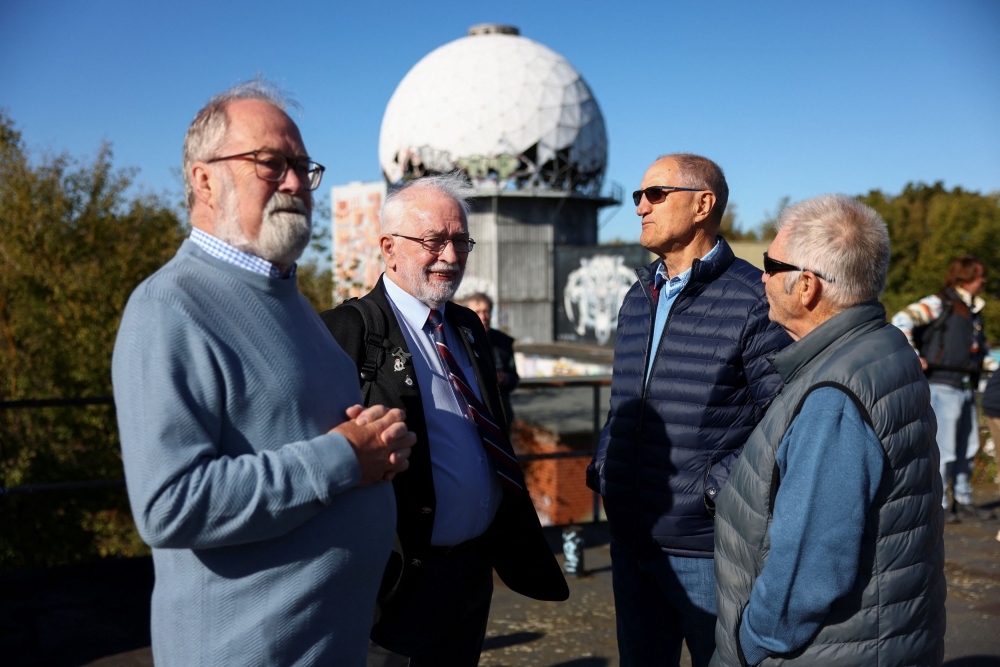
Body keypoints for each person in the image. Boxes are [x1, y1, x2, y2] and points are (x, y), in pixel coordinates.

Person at [112, 80, 414, 667]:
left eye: (303, 166)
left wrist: (376, 447)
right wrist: (344, 459)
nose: (297, 182)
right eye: (271, 163)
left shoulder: (292, 301)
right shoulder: (169, 308)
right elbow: (169, 504)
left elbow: (310, 440)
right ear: (204, 179)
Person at [321, 174, 567, 667]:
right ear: (389, 249)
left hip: (471, 577)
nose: (451, 256)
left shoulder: (467, 325)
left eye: (460, 241)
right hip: (393, 591)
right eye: (434, 241)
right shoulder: (343, 333)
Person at [711, 195, 946, 667]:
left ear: (807, 287)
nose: (761, 277)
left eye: (770, 264)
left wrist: (749, 644)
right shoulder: (879, 348)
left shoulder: (833, 398)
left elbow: (808, 572)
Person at [586, 154, 791, 667]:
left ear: (703, 205)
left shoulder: (752, 298)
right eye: (638, 196)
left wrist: (713, 490)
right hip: (633, 538)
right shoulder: (639, 296)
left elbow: (784, 419)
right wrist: (606, 468)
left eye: (655, 194)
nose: (639, 208)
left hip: (706, 548)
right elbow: (624, 403)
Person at [892, 255, 997, 521]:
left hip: (965, 386)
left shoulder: (973, 309)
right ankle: (936, 504)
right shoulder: (940, 302)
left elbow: (977, 351)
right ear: (967, 276)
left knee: (969, 445)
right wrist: (914, 354)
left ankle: (962, 499)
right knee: (945, 447)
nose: (984, 280)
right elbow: (901, 319)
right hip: (942, 385)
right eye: (980, 275)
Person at [465, 292, 520, 432]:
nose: (483, 317)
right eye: (477, 312)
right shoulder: (458, 340)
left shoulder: (503, 342)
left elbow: (514, 378)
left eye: (486, 311)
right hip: (469, 415)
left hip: (500, 414)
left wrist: (504, 379)